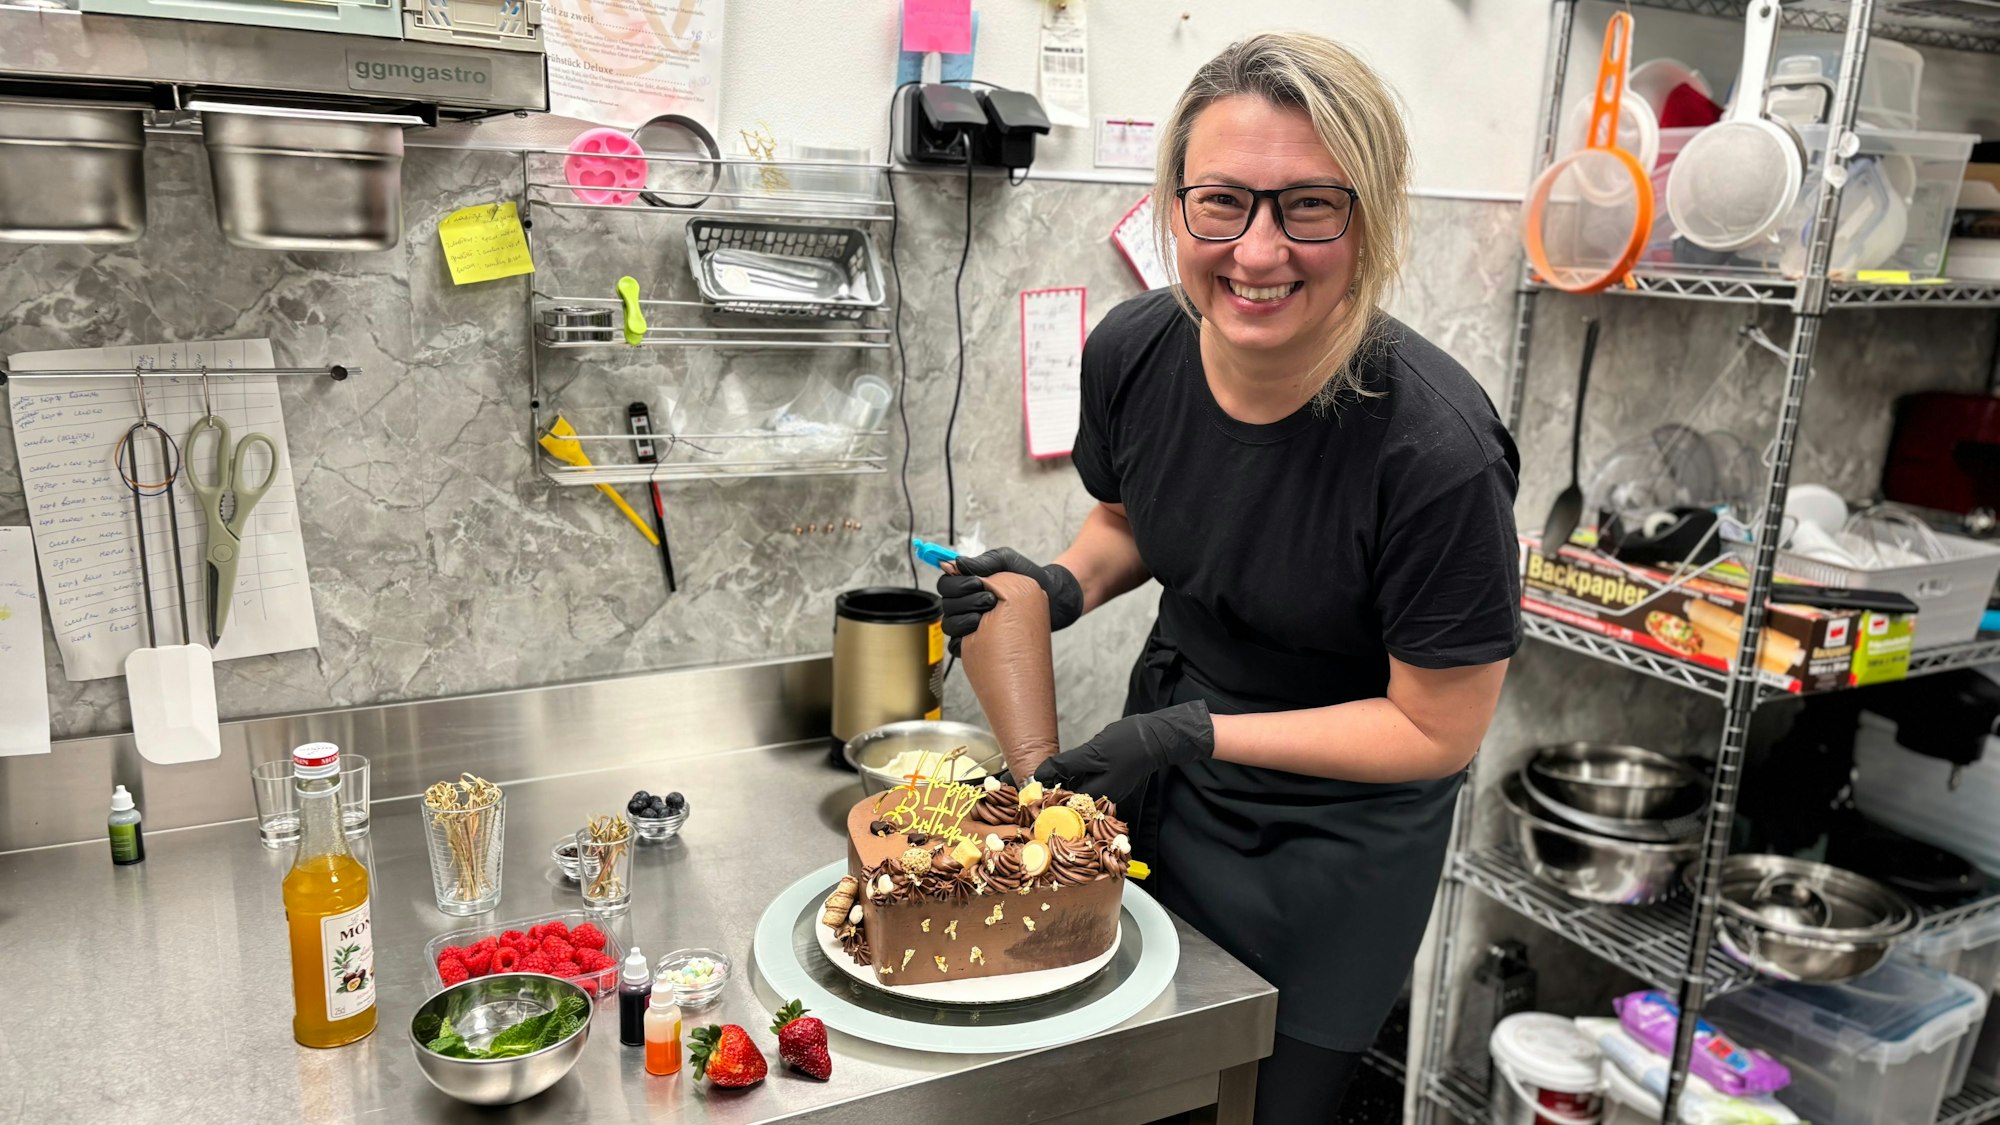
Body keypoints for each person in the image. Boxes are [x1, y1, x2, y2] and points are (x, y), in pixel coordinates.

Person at [937, 31, 1521, 1123]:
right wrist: (1059, 588)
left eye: (1309, 206)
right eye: (1221, 204)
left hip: (1334, 844)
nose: (1256, 253)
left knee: (1259, 1101)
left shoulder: (1434, 454)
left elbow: (1435, 728)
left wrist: (1194, 731)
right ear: (1175, 205)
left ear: (1373, 215)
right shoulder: (1134, 351)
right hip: (1165, 775)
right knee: (1130, 1078)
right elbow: (1133, 517)